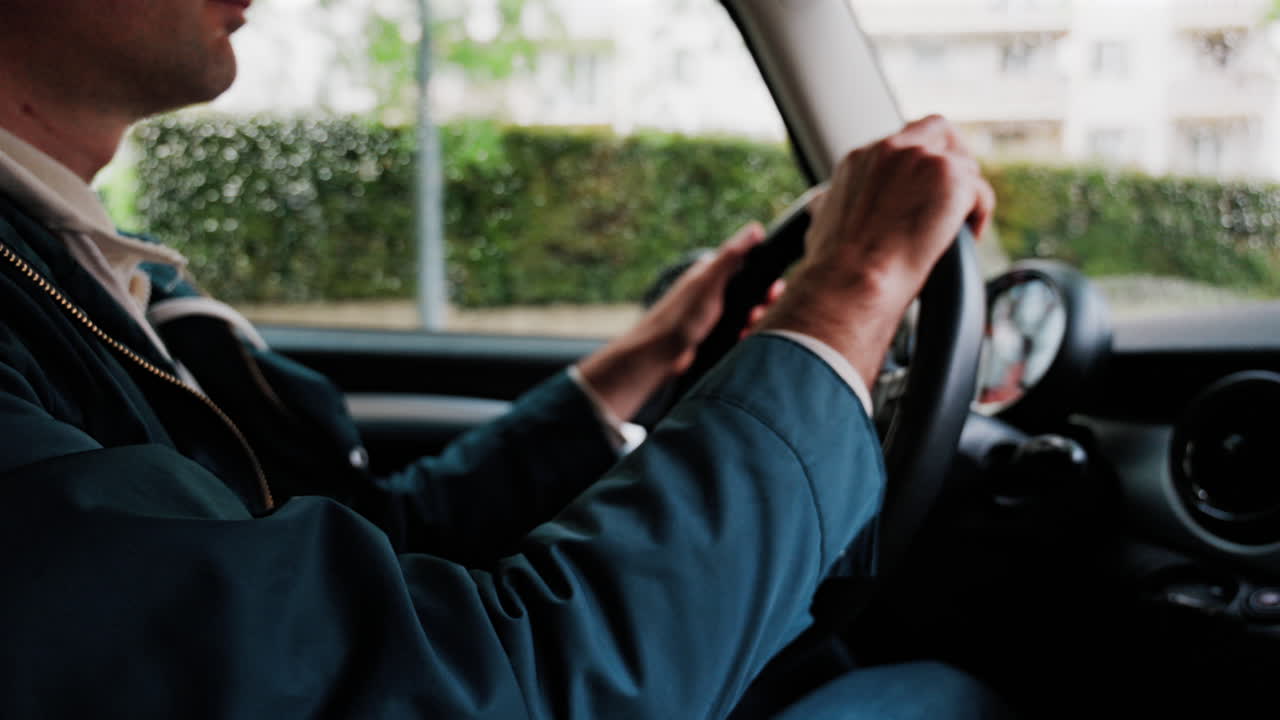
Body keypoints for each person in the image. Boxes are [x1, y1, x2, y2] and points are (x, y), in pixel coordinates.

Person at [0, 0, 1006, 717]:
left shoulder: (118, 282)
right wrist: (850, 295)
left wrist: (650, 356)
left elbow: (369, 533)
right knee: (938, 695)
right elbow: (470, 688)